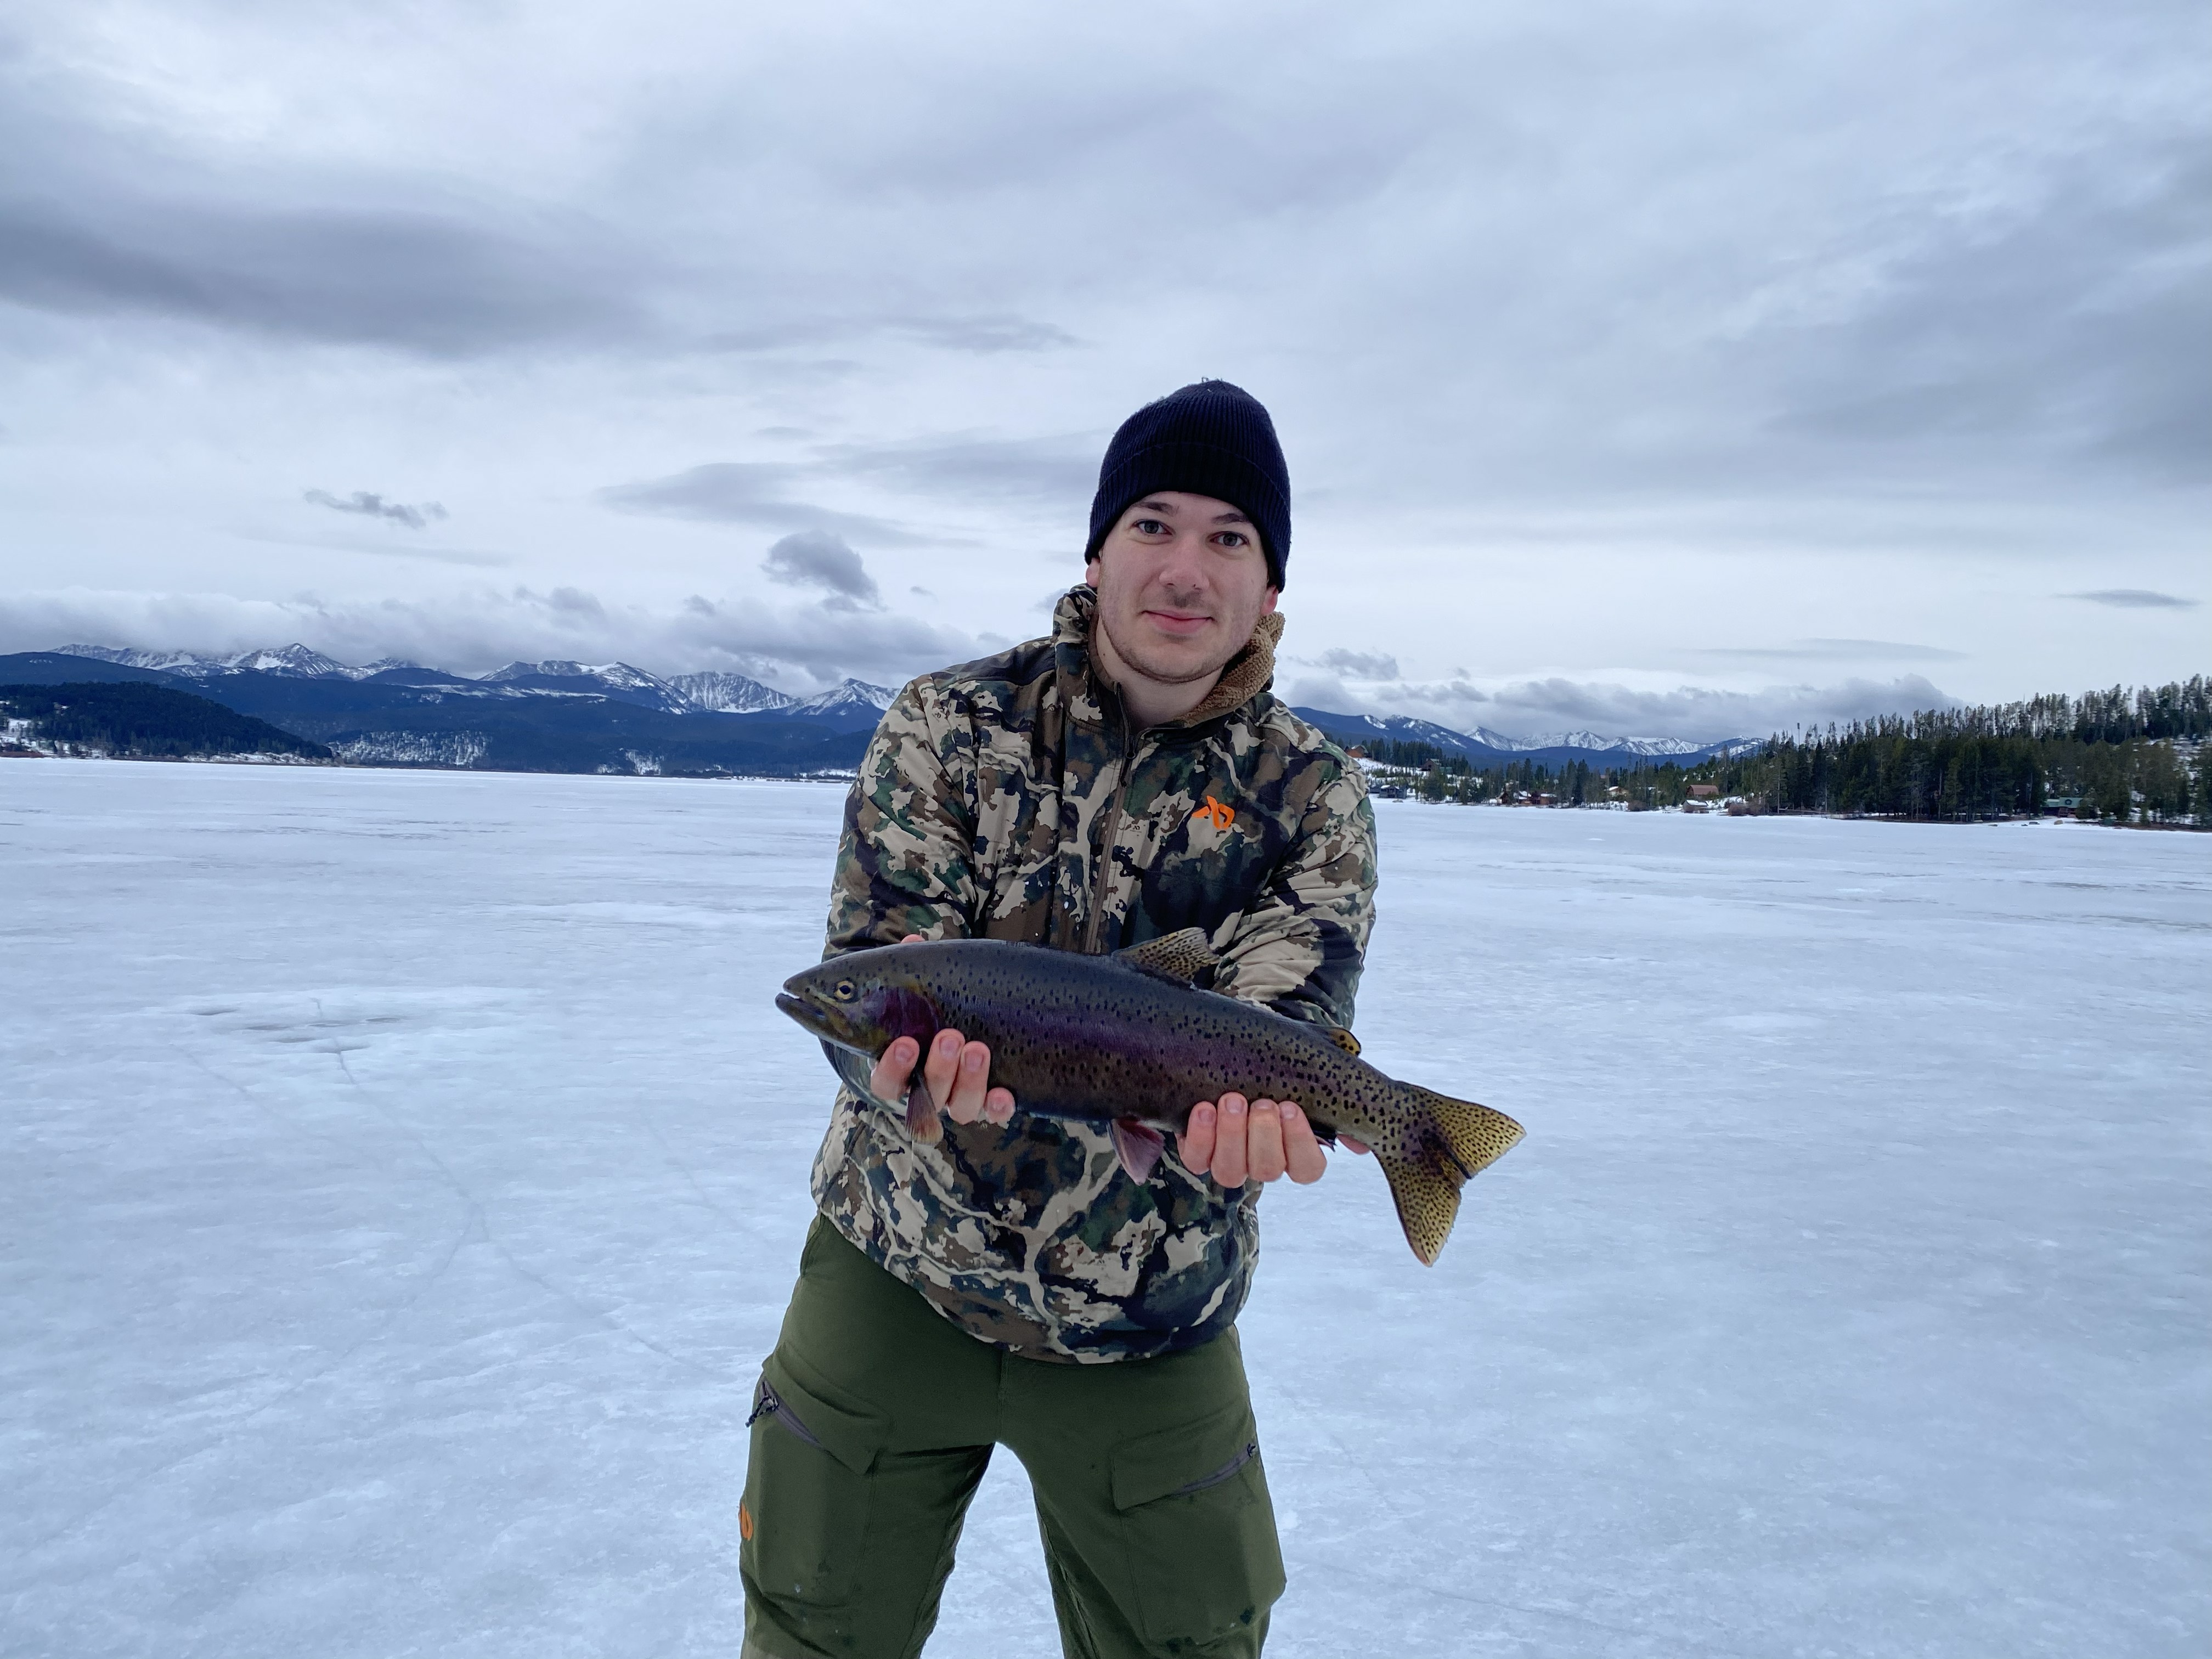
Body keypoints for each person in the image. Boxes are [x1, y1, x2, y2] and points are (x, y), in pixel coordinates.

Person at [741, 380, 1377, 1659]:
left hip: (1153, 1311)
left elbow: (1284, 1000)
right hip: (894, 1271)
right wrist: (896, 1080)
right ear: (1096, 551)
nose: (1184, 568)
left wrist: (1263, 1115)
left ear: (1271, 589)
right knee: (812, 1636)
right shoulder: (950, 723)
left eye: (1228, 537)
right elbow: (860, 976)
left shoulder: (1313, 796)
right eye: (1153, 523)